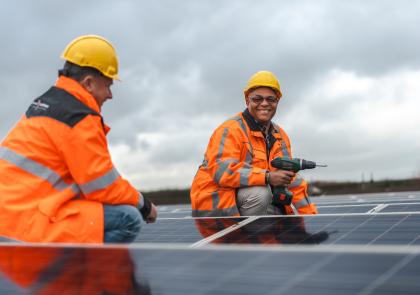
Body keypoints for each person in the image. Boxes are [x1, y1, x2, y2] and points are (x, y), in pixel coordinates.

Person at [0, 35, 157, 243]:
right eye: (108, 86)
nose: (110, 95)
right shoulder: (78, 117)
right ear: (89, 83)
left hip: (10, 214)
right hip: (24, 223)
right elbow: (103, 186)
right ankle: (81, 274)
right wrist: (145, 205)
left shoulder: (43, 105)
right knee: (128, 218)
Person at [190, 70, 318, 217]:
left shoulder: (280, 135)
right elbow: (223, 171)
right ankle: (244, 236)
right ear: (247, 101)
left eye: (271, 99)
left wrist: (311, 218)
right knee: (261, 193)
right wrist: (268, 177)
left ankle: (260, 236)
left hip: (247, 202)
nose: (264, 104)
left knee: (285, 214)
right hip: (217, 208)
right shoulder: (230, 130)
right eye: (257, 99)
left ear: (277, 102)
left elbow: (291, 178)